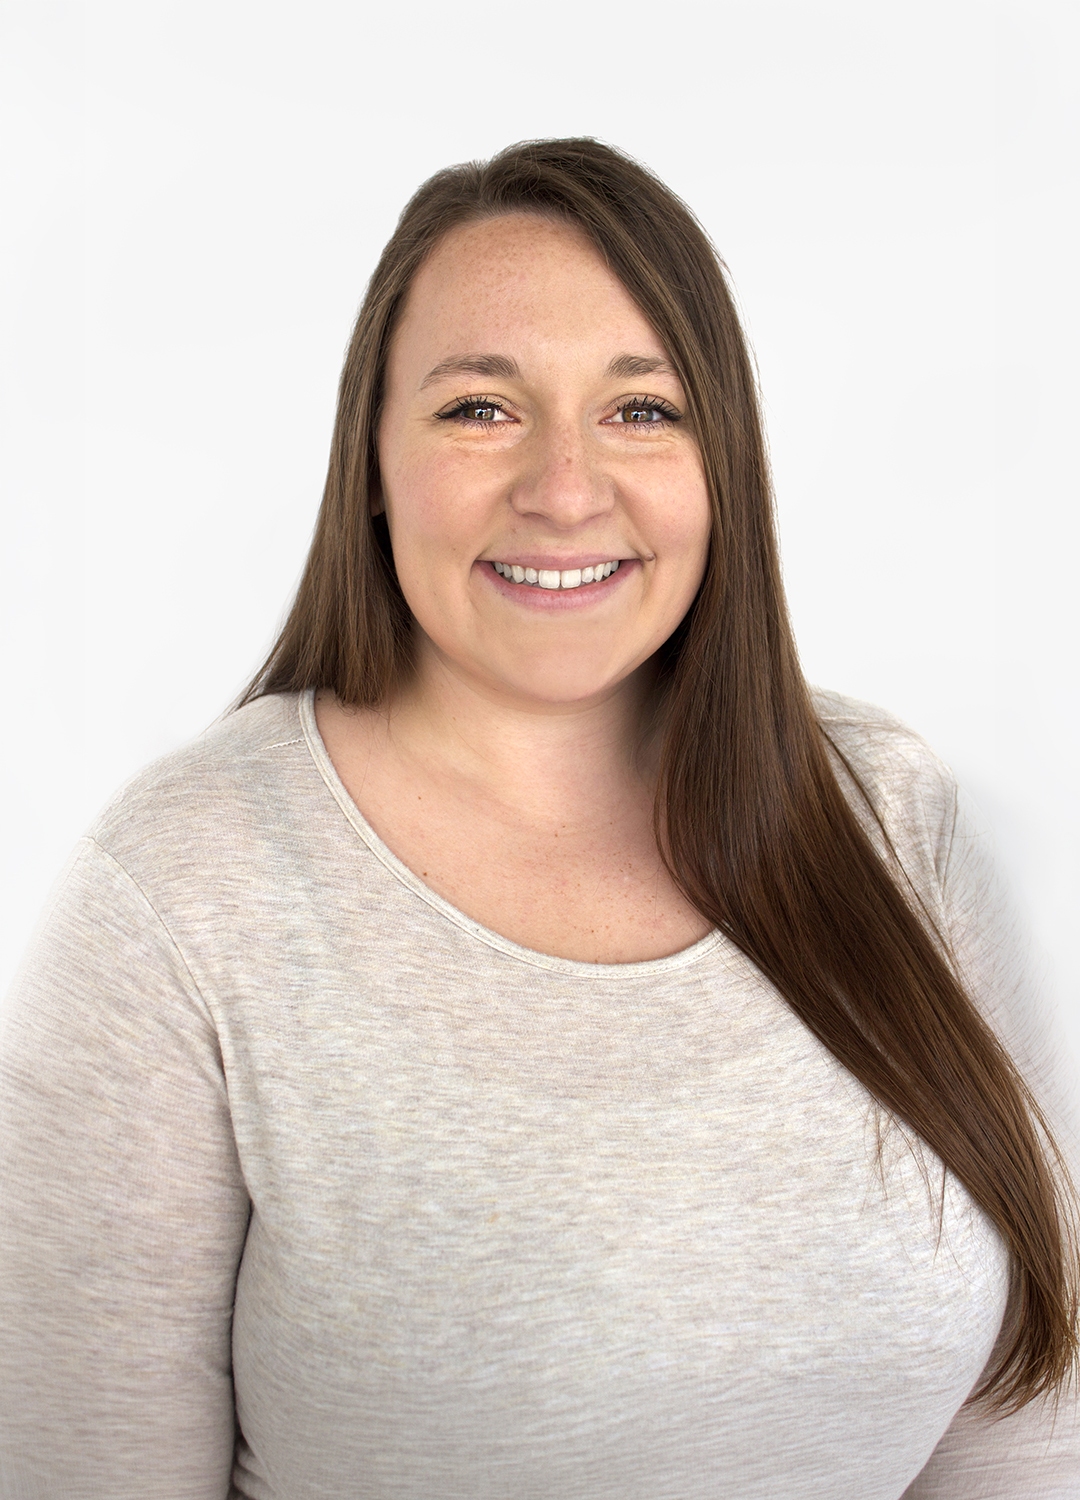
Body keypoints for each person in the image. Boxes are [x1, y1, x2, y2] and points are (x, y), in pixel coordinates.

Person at [0, 138, 1077, 1498]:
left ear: (722, 461)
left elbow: (1027, 1434)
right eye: (480, 410)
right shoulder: (180, 893)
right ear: (372, 462)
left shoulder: (897, 822)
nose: (566, 489)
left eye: (642, 410)